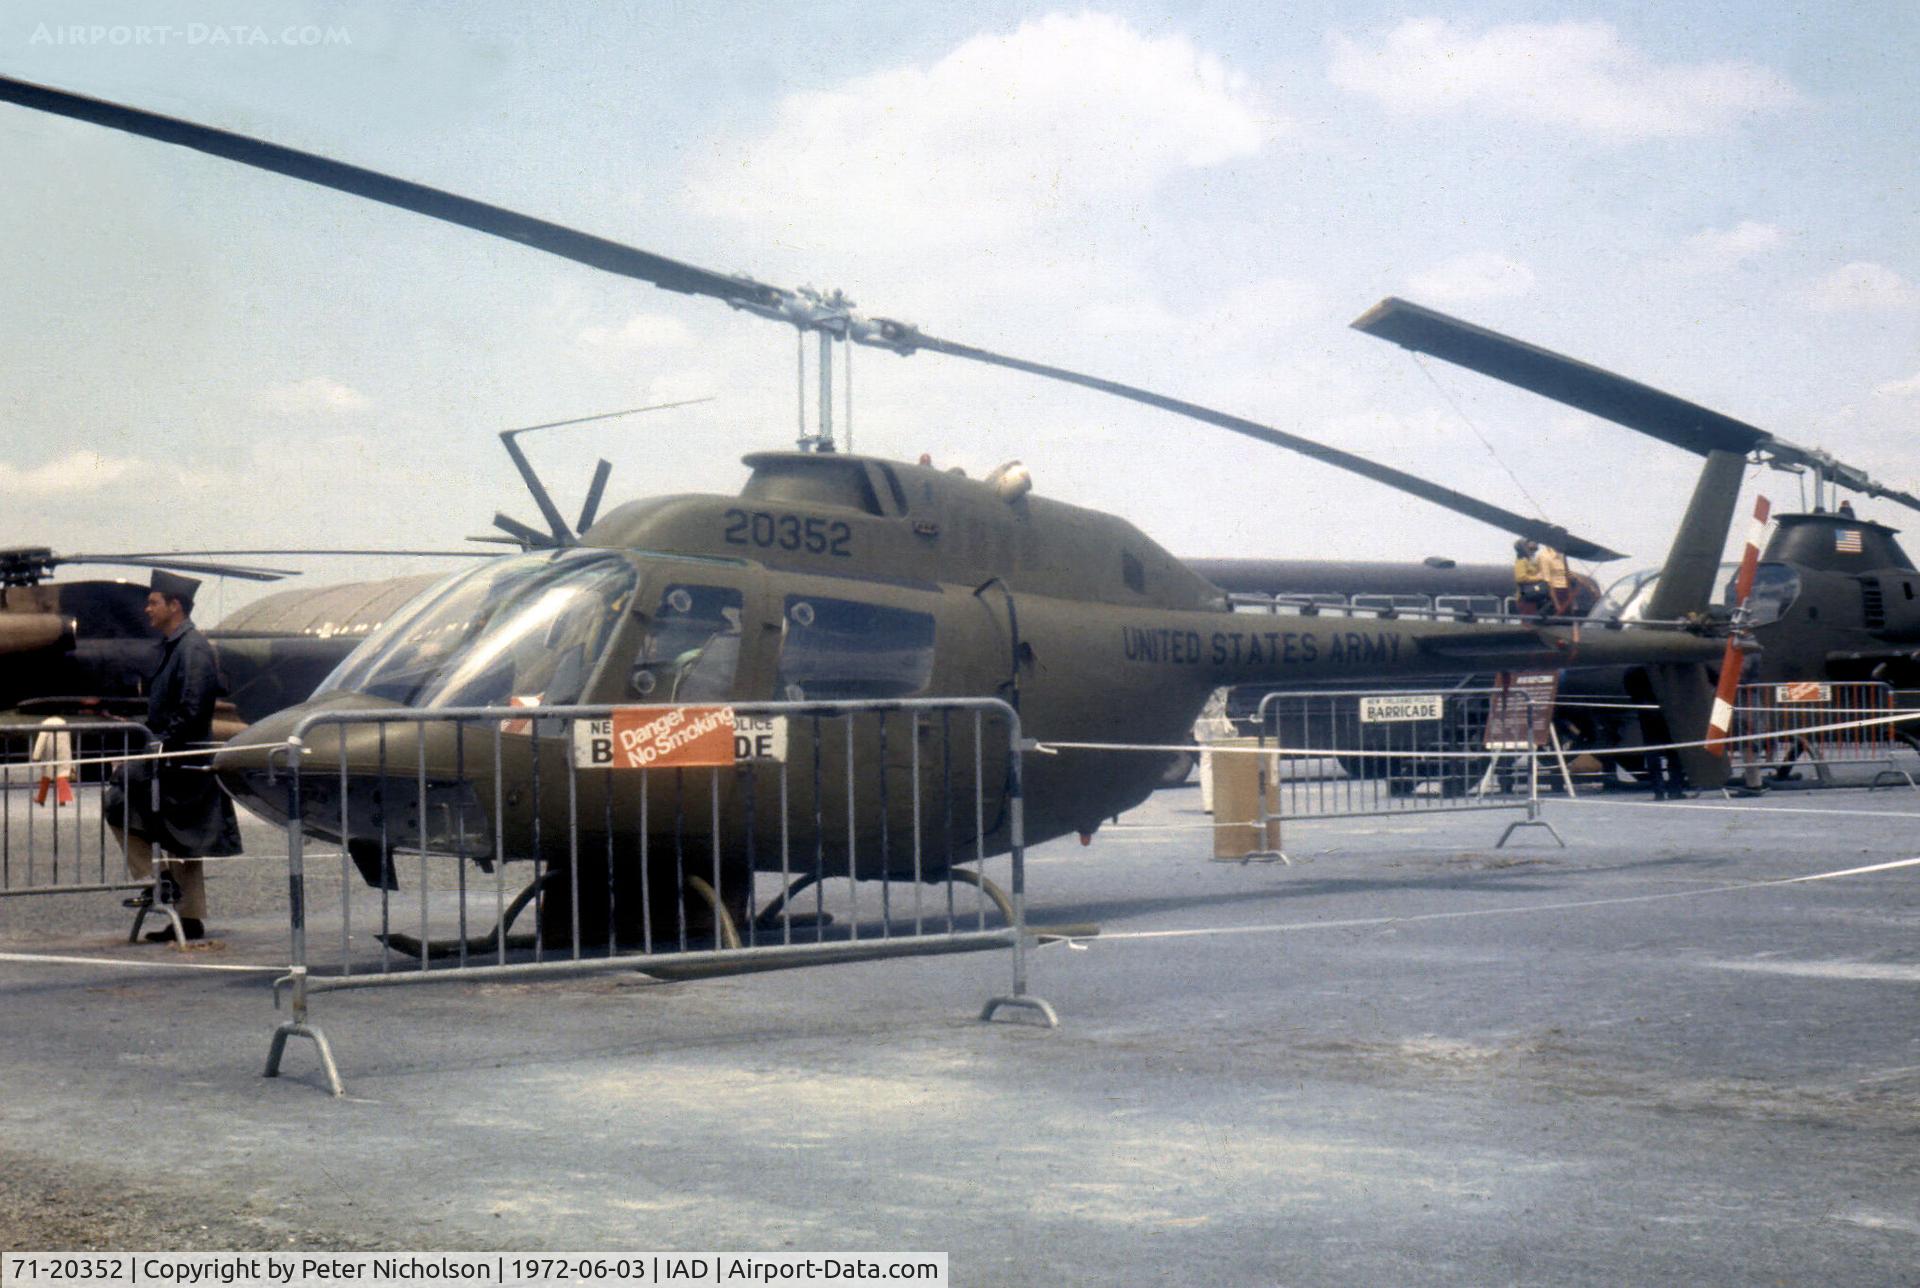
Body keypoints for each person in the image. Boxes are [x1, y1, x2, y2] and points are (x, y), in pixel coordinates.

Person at [106, 570, 242, 942]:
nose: (147, 609)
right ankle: (189, 917)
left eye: (153, 602)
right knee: (182, 840)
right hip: (178, 761)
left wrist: (155, 747)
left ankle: (159, 880)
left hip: (180, 764)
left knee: (117, 800)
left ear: (174, 605)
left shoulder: (192, 649)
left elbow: (193, 709)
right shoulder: (179, 646)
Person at [1512, 540, 1552, 615]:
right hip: (1526, 597)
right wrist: (1539, 578)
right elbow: (1520, 578)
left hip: (1535, 595)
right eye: (1531, 549)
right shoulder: (1521, 560)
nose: (1533, 551)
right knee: (1529, 622)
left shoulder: (1532, 561)